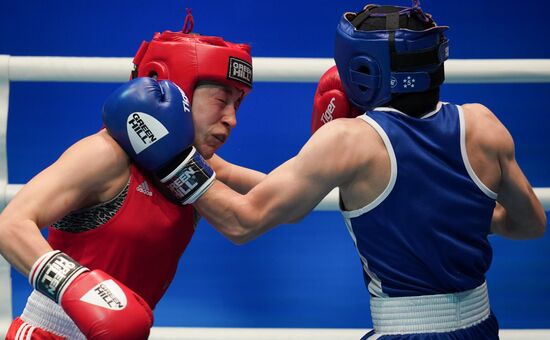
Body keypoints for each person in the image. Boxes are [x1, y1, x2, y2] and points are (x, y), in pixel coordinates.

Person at [103, 2, 547, 339]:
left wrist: (172, 161)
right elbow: (530, 224)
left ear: (362, 68)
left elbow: (243, 221)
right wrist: (443, 215)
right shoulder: (484, 125)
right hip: (482, 324)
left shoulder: (349, 140)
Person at [0, 11, 264, 339]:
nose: (231, 119)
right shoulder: (106, 155)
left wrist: (333, 155)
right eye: (222, 100)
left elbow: (273, 197)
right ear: (174, 88)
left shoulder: (196, 167)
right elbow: (10, 225)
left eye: (238, 105)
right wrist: (75, 284)